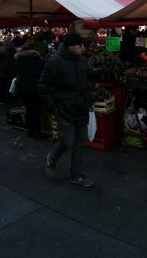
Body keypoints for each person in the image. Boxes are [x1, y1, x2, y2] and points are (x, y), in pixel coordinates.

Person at [40, 33, 96, 187]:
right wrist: (53, 107)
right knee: (67, 141)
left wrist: (89, 101)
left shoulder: (83, 61)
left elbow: (86, 85)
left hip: (81, 107)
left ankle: (76, 175)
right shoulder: (55, 62)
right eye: (80, 45)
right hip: (64, 109)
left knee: (80, 142)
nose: (83, 48)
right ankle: (52, 159)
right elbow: (43, 87)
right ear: (71, 47)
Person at [16, 41, 46, 139]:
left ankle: (30, 130)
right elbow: (44, 69)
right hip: (35, 86)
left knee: (29, 108)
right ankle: (37, 132)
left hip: (24, 87)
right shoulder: (37, 59)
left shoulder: (19, 60)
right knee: (36, 109)